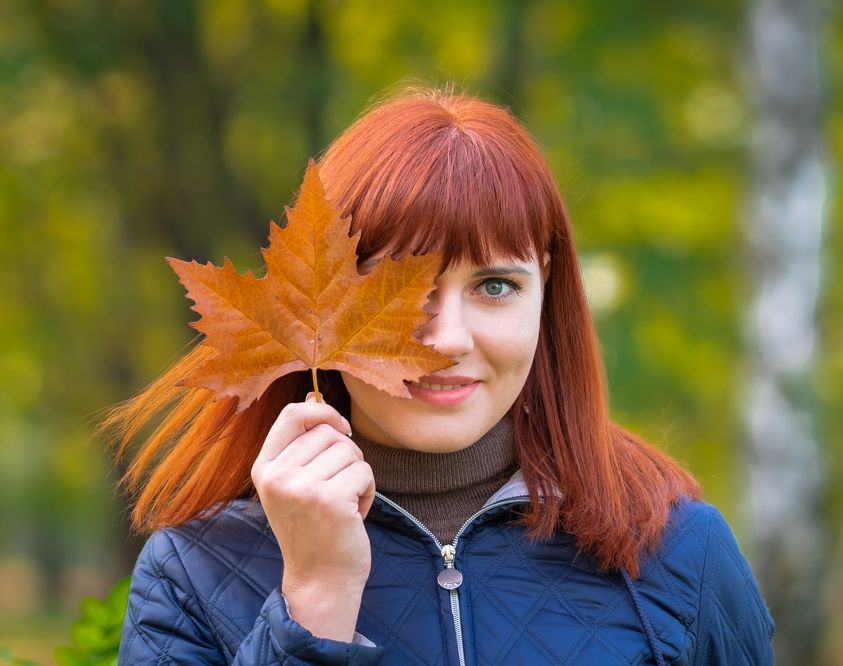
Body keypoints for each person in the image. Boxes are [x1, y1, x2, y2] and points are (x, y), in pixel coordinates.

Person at [105, 88, 774, 665]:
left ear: (546, 297)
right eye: (400, 289)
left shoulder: (680, 555)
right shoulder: (194, 573)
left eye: (495, 285)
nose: (448, 339)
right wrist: (314, 598)